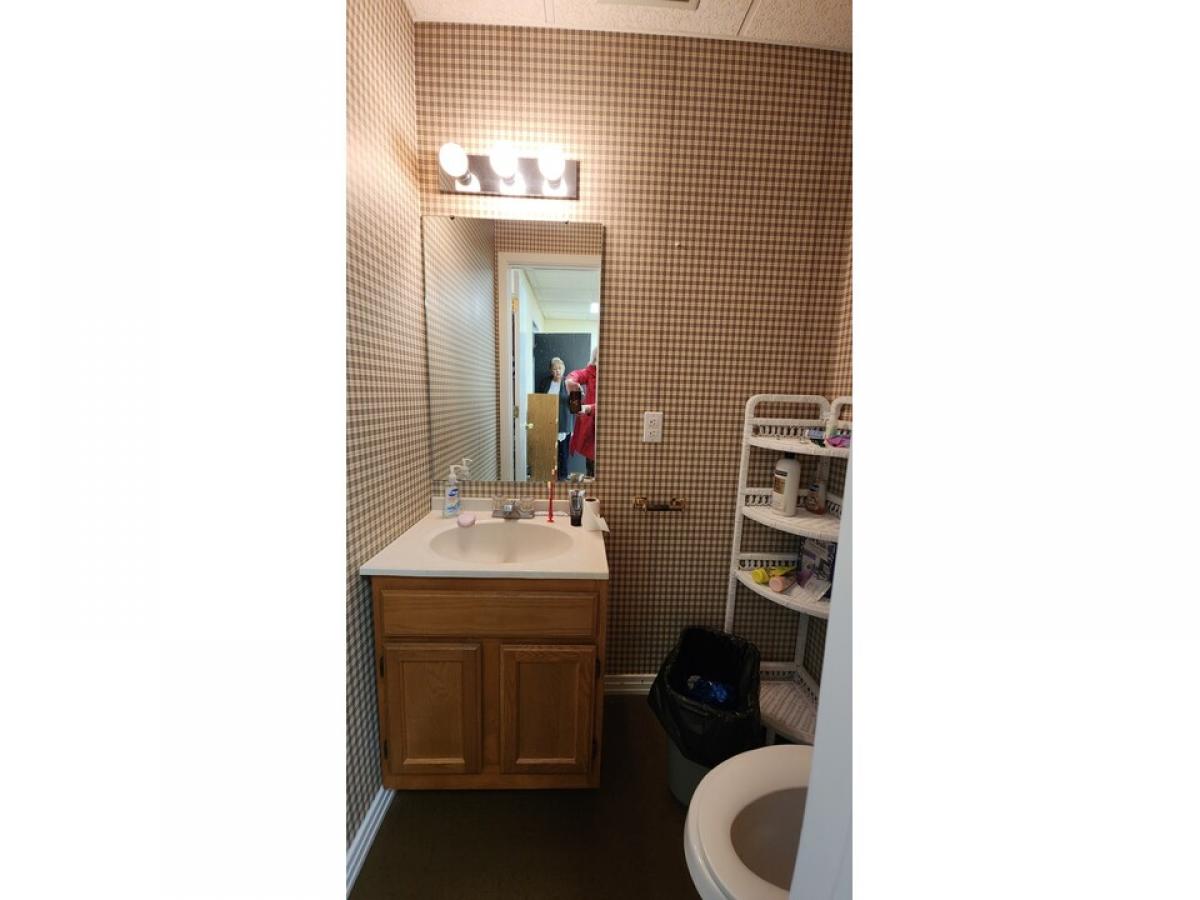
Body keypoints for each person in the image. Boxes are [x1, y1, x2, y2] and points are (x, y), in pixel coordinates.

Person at [536, 357, 573, 480]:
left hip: (563, 423)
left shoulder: (569, 383)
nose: (557, 371)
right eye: (554, 369)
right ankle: (547, 476)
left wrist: (577, 393)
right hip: (547, 421)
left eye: (559, 368)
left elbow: (576, 406)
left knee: (563, 453)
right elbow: (539, 400)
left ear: (563, 369)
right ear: (550, 370)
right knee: (548, 451)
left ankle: (562, 477)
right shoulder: (545, 382)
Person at [565, 346, 598, 477]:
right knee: (591, 469)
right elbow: (576, 374)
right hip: (591, 430)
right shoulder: (591, 372)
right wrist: (570, 381)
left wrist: (589, 408)